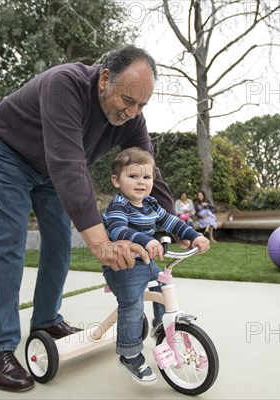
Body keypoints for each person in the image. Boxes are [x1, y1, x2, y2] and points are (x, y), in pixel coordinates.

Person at [0, 46, 180, 392]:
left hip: (51, 170)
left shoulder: (132, 119)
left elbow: (150, 172)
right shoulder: (64, 85)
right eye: (128, 100)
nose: (132, 112)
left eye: (142, 105)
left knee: (59, 247)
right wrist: (100, 241)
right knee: (10, 245)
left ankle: (45, 321)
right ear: (104, 79)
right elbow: (70, 166)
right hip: (9, 153)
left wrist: (175, 225)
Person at [102, 148, 210, 385]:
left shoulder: (151, 204)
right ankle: (129, 353)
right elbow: (119, 230)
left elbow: (171, 221)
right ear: (116, 180)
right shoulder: (118, 207)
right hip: (123, 267)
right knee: (131, 304)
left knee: (162, 289)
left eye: (147, 177)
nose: (141, 182)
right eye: (133, 176)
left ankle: (162, 328)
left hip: (147, 263)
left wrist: (194, 235)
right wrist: (146, 240)